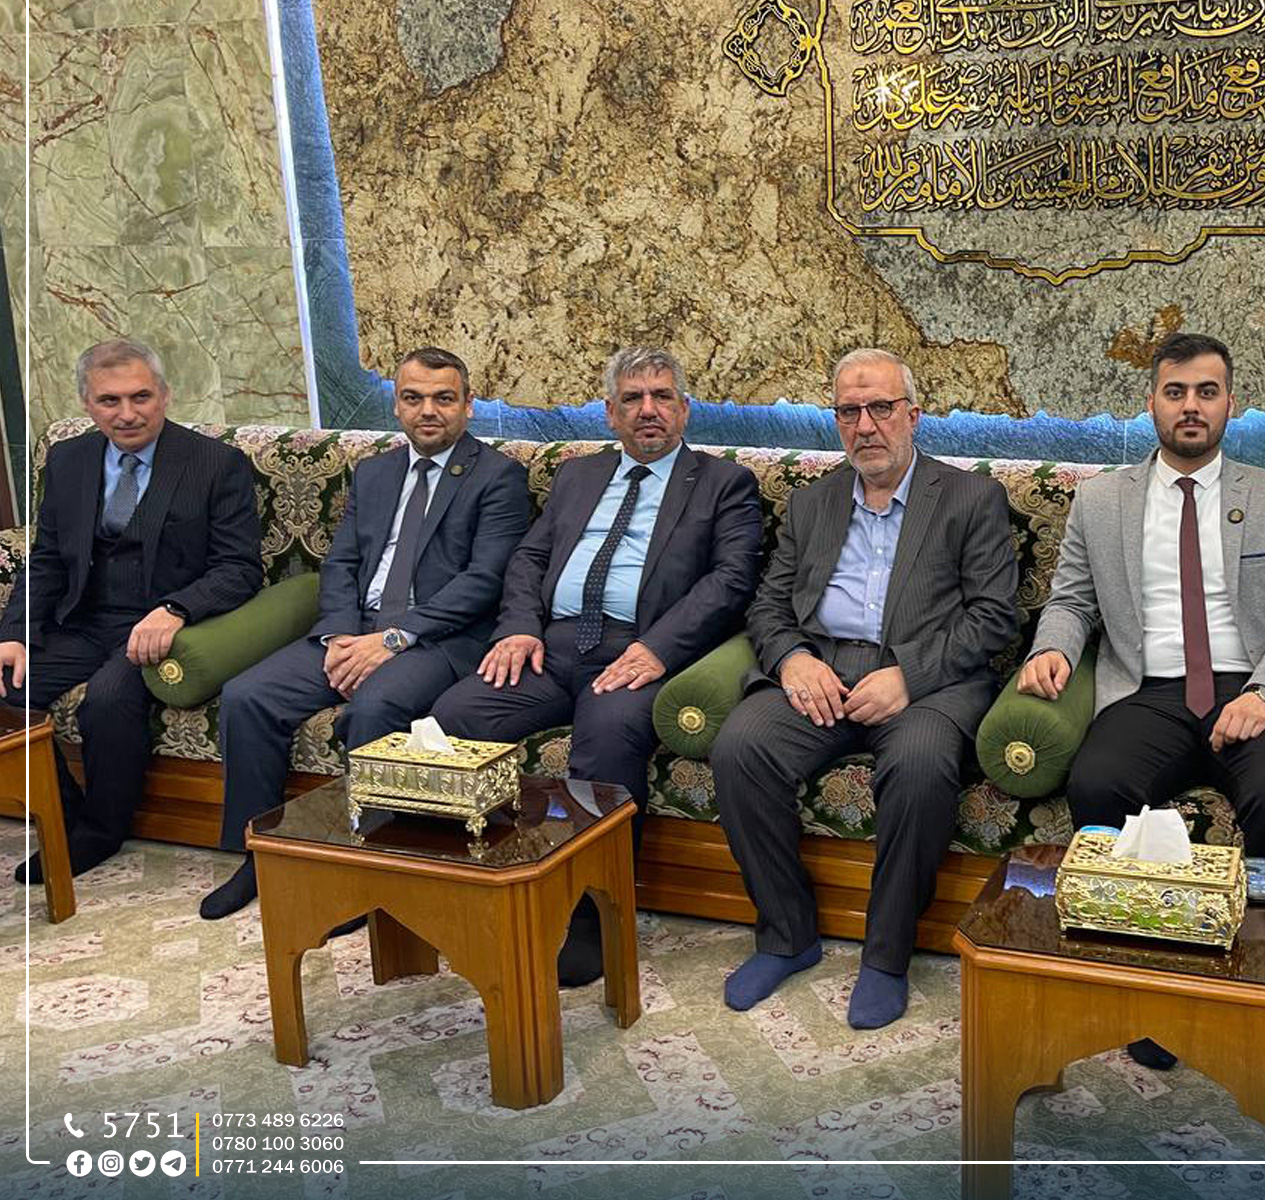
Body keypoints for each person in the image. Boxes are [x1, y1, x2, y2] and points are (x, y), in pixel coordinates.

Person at [1018, 331, 1265, 1069]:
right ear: (1152, 402)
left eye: (1207, 392)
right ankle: (1147, 981)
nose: (1191, 406)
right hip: (1149, 689)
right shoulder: (1101, 501)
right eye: (1176, 391)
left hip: (1250, 687)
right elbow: (1071, 601)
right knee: (1099, 783)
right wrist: (1051, 648)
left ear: (1231, 404)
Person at [431, 344, 762, 987]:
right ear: (610, 413)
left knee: (605, 745)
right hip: (551, 646)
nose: (648, 410)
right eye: (632, 399)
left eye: (662, 396)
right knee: (456, 717)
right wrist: (519, 627)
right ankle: (487, 880)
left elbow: (730, 581)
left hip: (637, 652)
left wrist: (659, 648)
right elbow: (528, 559)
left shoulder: (724, 483)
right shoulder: (578, 476)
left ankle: (593, 920)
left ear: (685, 409)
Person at [711, 348, 1019, 1030]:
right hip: (822, 669)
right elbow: (768, 605)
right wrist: (792, 659)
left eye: (881, 407)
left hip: (927, 681)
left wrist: (909, 674)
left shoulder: (970, 497)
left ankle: (886, 956)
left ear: (913, 415)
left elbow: (994, 616)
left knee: (919, 764)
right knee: (741, 748)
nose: (866, 425)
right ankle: (786, 936)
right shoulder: (812, 502)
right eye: (849, 411)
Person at [199, 348, 531, 920]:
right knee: (247, 696)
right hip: (356, 630)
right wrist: (338, 637)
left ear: (468, 406)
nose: (428, 411)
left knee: (373, 709)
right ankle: (258, 856)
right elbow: (342, 564)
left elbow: (484, 581)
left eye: (443, 398)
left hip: (438, 639)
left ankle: (370, 870)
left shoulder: (498, 476)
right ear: (396, 406)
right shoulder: (375, 472)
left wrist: (395, 639)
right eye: (413, 398)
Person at [3, 338, 263, 880]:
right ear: (87, 404)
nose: (127, 414)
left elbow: (239, 568)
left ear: (164, 395)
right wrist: (15, 632)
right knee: (5, 685)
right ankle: (62, 819)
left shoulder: (216, 464)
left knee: (107, 699)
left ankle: (100, 833)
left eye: (140, 397)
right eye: (109, 401)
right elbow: (46, 557)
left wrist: (177, 608)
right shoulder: (69, 460)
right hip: (81, 620)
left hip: (163, 628)